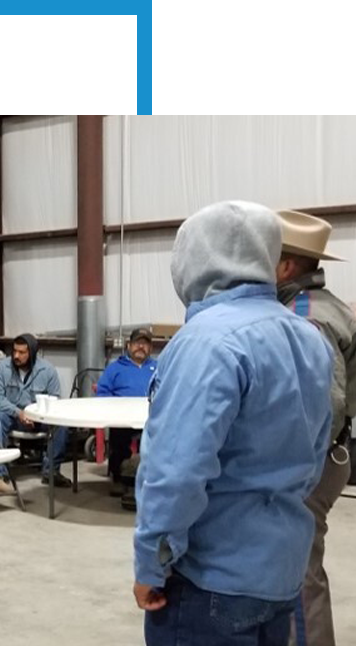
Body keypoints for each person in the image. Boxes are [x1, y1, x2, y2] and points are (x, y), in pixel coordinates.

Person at [133, 201, 334, 646]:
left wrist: (152, 562)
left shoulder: (206, 342)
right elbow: (315, 453)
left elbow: (176, 471)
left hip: (211, 581)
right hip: (282, 573)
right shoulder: (307, 338)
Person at [275, 209, 356, 646]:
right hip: (330, 454)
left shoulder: (304, 316)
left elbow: (326, 404)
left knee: (300, 571)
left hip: (314, 460)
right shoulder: (321, 305)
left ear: (286, 266)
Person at [0, 334, 71, 489]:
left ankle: (51, 471)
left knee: (61, 424)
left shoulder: (47, 370)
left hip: (39, 418)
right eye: (14, 351)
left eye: (22, 352)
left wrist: (37, 414)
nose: (16, 356)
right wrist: (18, 413)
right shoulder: (1, 368)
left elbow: (54, 398)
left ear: (32, 353)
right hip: (11, 416)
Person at [96, 327, 157, 501]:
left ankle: (150, 479)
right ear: (129, 345)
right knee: (119, 438)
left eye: (145, 344)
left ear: (150, 348)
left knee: (157, 441)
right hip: (122, 418)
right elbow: (102, 392)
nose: (141, 347)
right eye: (138, 343)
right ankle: (118, 477)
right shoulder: (114, 368)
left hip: (150, 419)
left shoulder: (158, 367)